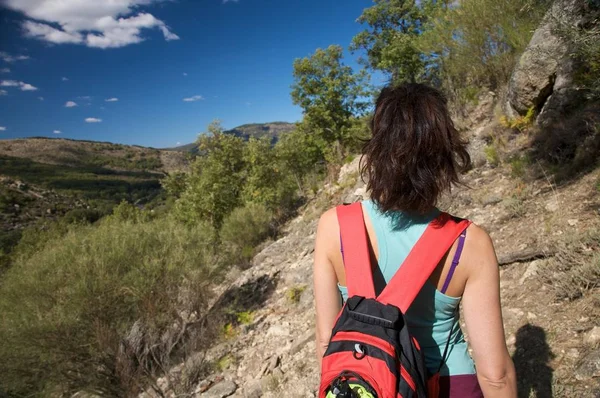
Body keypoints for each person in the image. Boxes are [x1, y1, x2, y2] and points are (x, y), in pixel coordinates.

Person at [313, 83, 517, 397]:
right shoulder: (469, 243)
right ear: (444, 155)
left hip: (368, 380)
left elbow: (328, 341)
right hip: (447, 383)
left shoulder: (333, 227)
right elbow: (496, 374)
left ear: (376, 151)